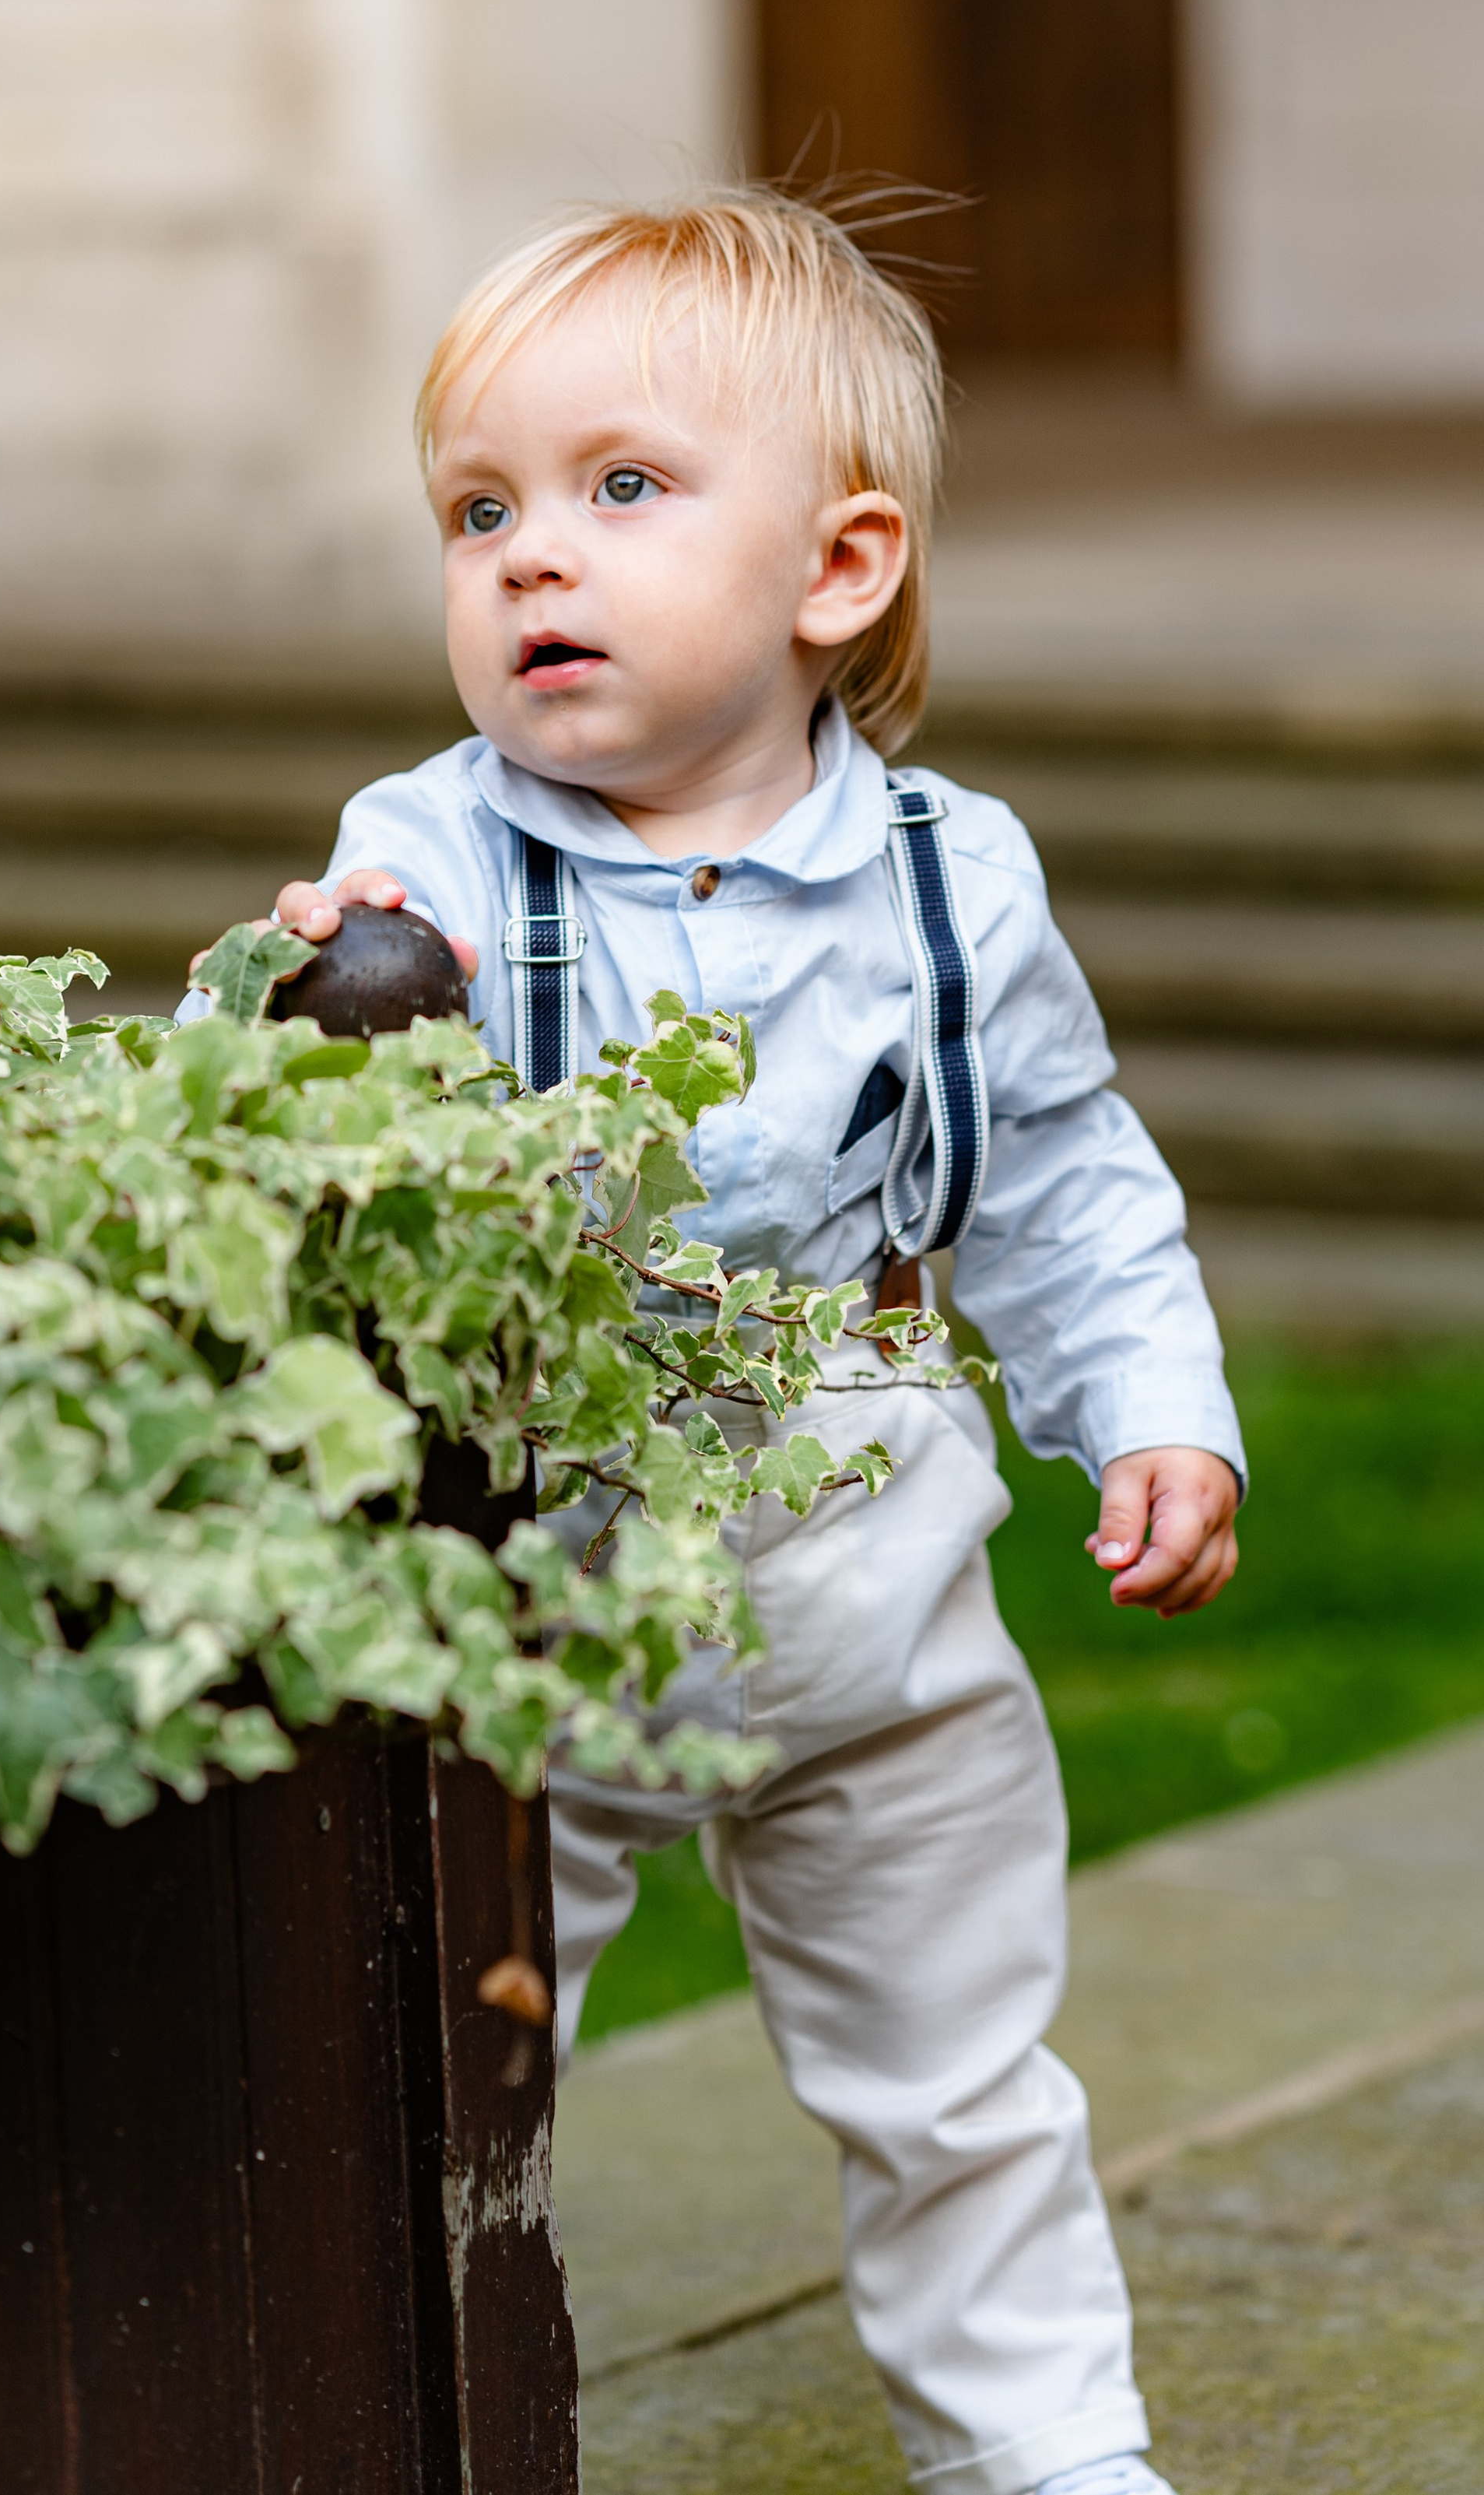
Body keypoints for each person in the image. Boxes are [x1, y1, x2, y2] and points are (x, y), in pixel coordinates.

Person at [260, 190, 1243, 2495]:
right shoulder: (437, 858)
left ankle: (1047, 2453)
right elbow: (313, 1070)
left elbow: (1064, 1173)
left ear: (840, 568)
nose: (529, 554)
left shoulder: (949, 880)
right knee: (445, 2073)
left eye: (621, 488)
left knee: (965, 2080)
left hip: (872, 1578)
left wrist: (1156, 1408)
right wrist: (324, 988)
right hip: (552, 1596)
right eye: (478, 511)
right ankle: (398, 2430)